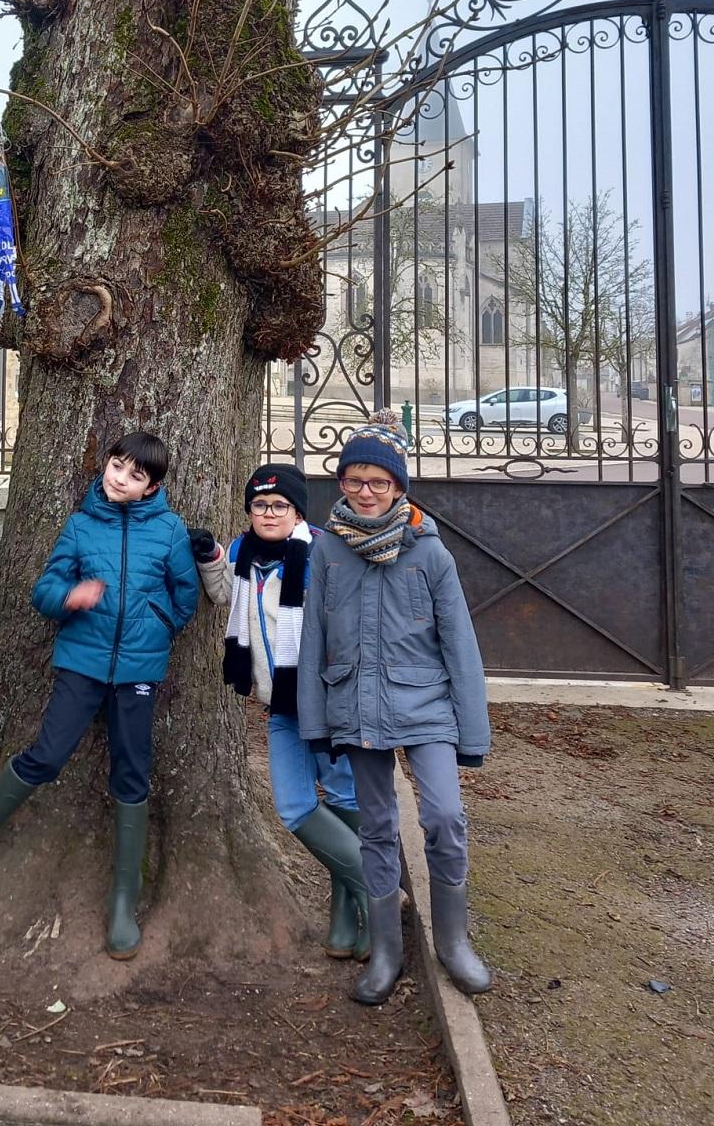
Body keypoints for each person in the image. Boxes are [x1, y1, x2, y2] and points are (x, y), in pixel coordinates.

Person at [0, 431, 198, 960]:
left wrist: (159, 622)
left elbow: (185, 593)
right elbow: (44, 590)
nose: (120, 478)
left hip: (139, 668)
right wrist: (71, 597)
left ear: (151, 488)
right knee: (47, 755)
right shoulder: (81, 526)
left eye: (135, 475)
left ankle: (123, 899)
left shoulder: (170, 530)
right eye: (117, 465)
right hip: (81, 661)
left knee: (131, 770)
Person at [297, 412, 493, 1004]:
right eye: (354, 480)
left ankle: (453, 942)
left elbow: (460, 642)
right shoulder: (327, 551)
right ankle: (386, 950)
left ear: (399, 488)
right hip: (355, 706)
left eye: (378, 482)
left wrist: (472, 731)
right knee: (377, 827)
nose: (365, 491)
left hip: (426, 705)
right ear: (342, 484)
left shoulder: (431, 554)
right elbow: (313, 639)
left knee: (444, 818)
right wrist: (316, 723)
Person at [194, 463, 374, 962]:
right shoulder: (242, 554)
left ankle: (350, 914)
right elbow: (225, 597)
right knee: (294, 806)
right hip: (279, 704)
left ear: (297, 511)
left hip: (328, 702)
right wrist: (210, 558)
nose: (268, 514)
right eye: (259, 505)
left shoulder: (321, 551)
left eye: (279, 506)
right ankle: (373, 892)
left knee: (341, 794)